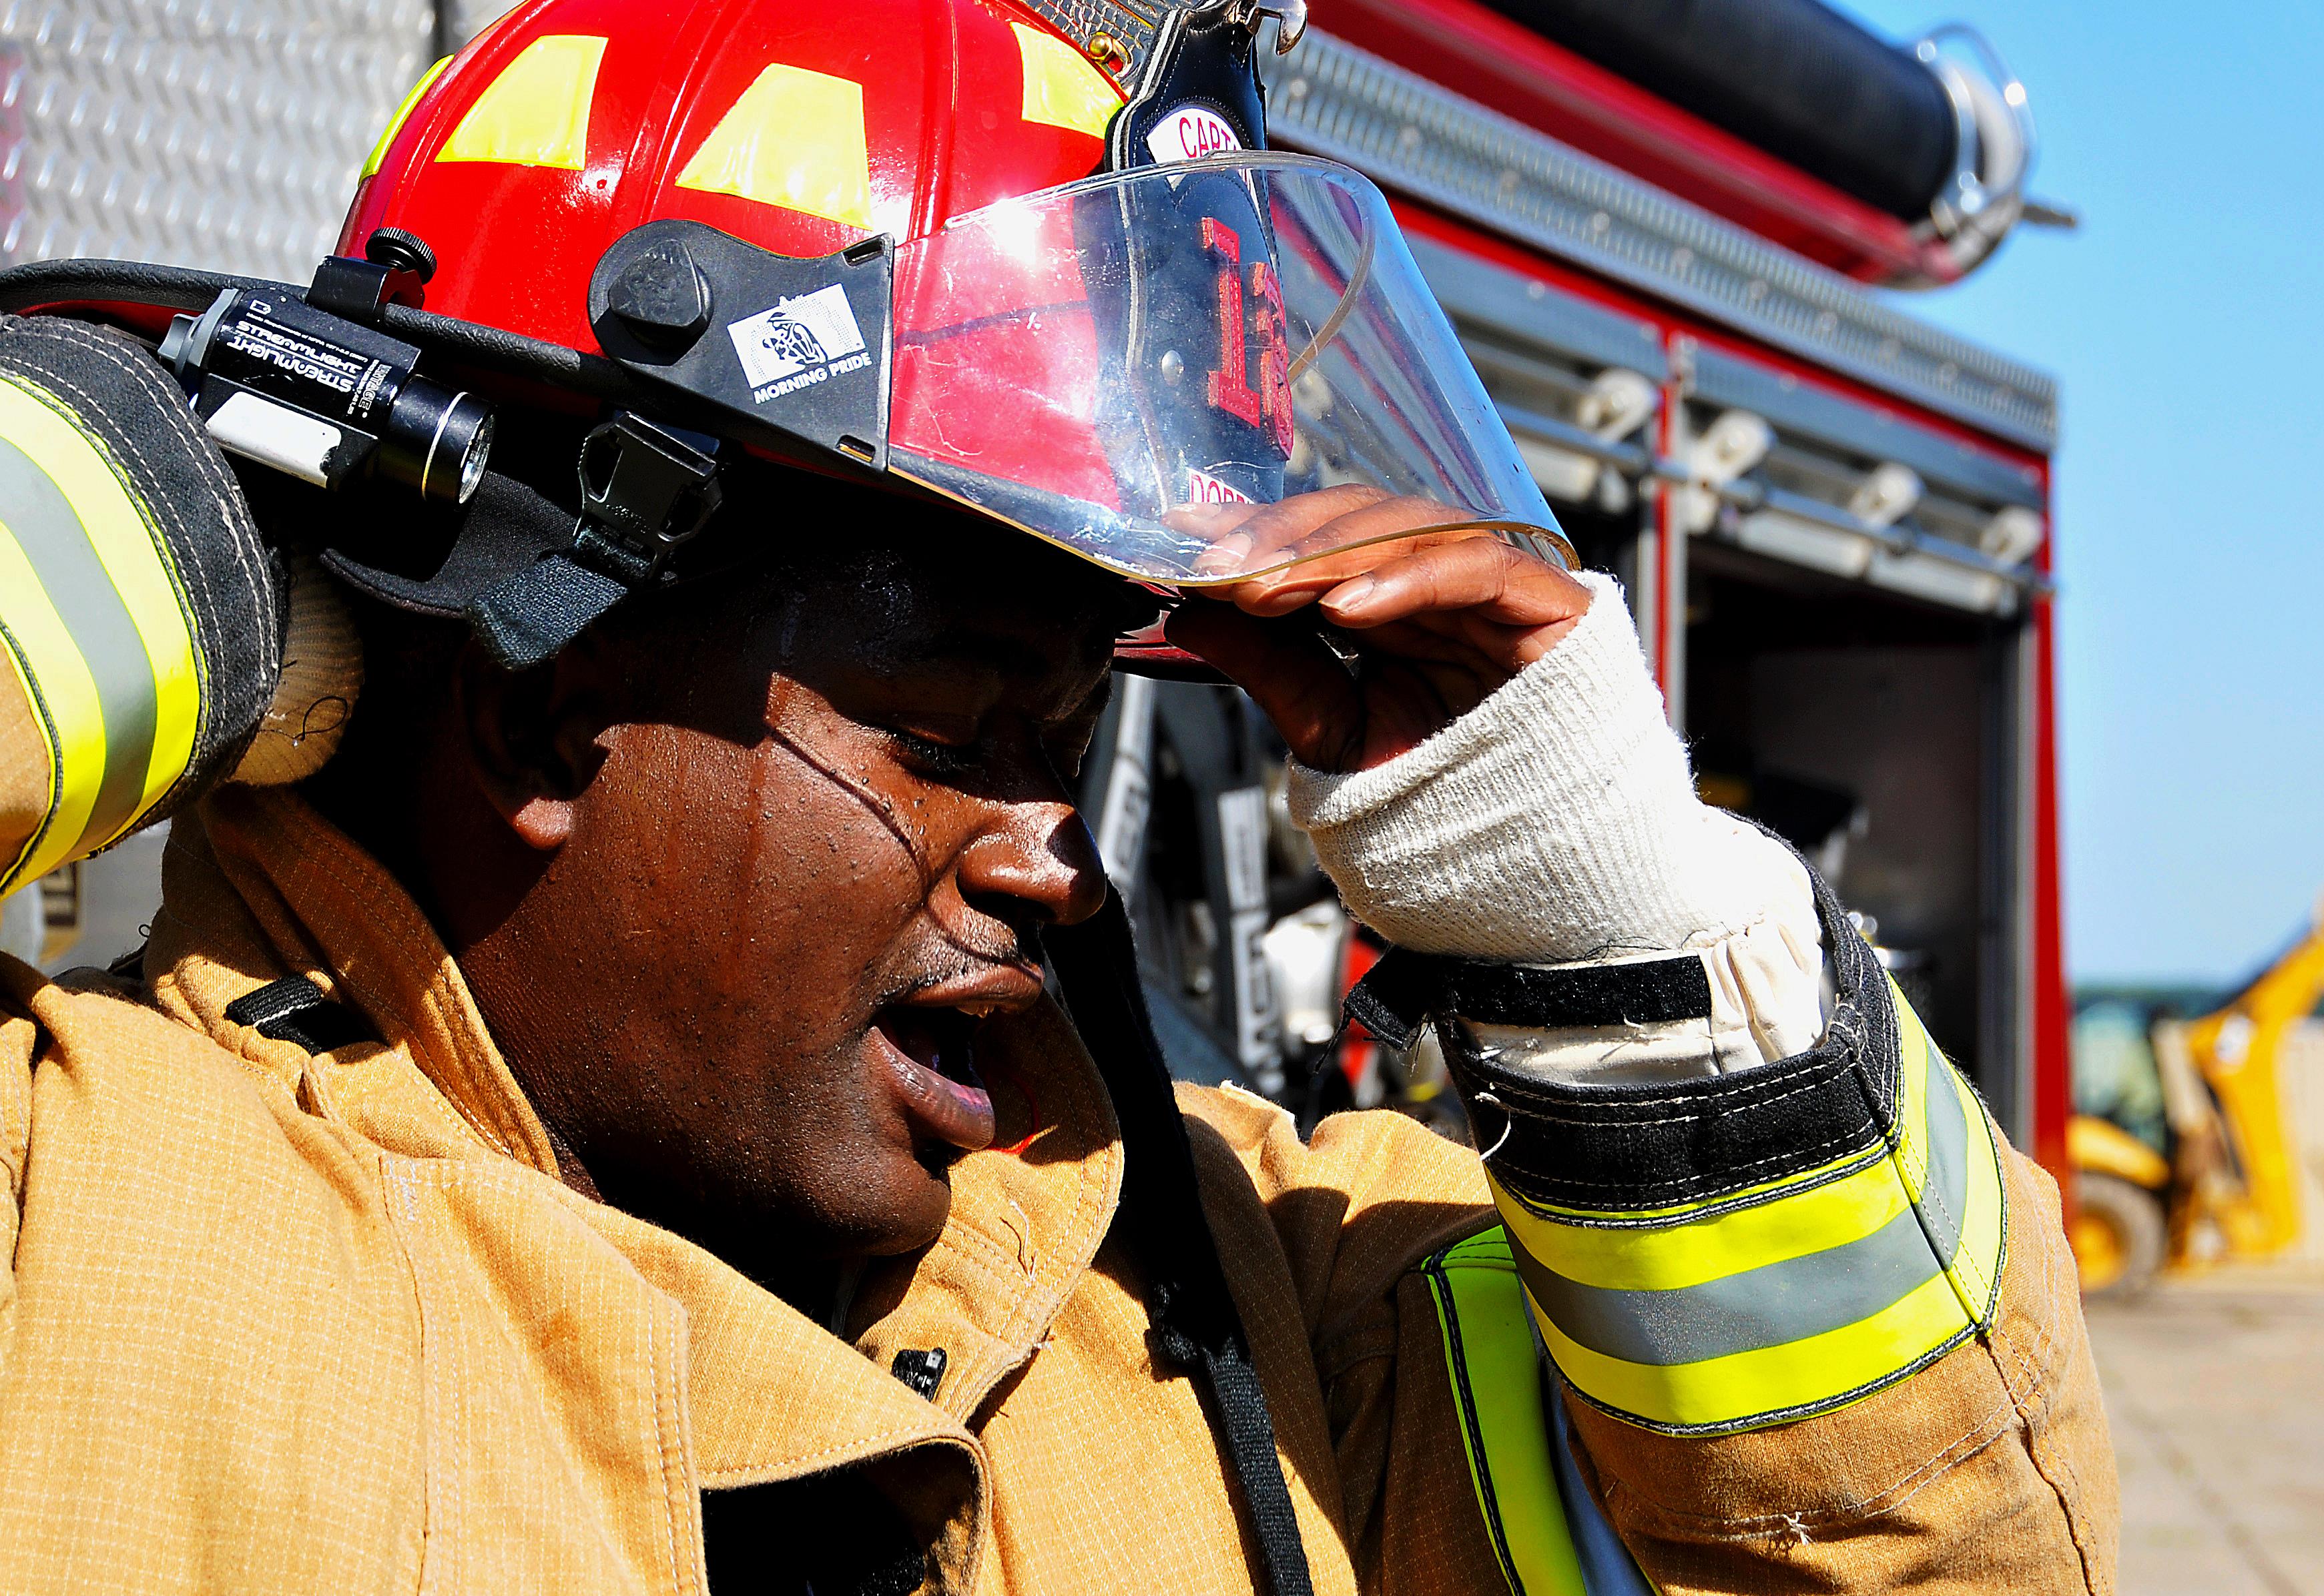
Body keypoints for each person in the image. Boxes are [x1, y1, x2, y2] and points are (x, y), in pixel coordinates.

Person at [0, 1, 2114, 1591]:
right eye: (951, 733)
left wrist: (1621, 928)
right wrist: (166, 541)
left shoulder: (1240, 1304)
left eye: (1072, 729)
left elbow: (1921, 1551)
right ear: (544, 709)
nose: (1056, 854)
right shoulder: (86, 1239)